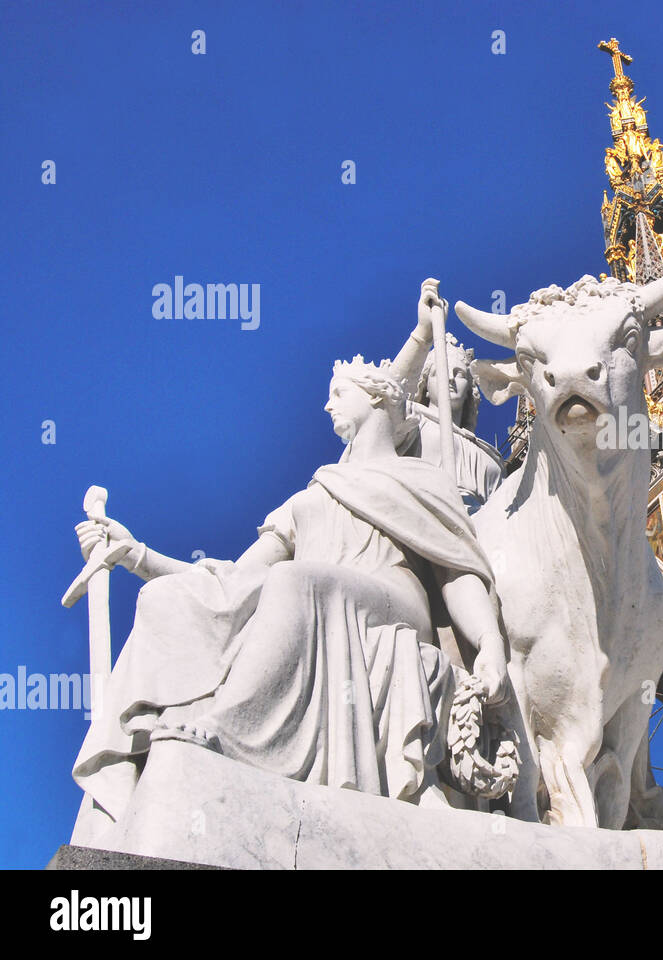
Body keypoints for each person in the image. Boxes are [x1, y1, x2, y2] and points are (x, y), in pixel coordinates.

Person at [70, 354, 509, 844]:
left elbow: (457, 572)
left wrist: (488, 643)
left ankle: (229, 727)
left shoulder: (424, 480)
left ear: (378, 397)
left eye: (338, 393)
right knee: (167, 598)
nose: (326, 405)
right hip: (307, 595)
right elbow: (236, 579)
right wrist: (139, 556)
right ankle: (125, 788)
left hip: (390, 602)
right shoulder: (317, 489)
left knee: (297, 581)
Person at [390, 279, 503, 513]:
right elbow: (386, 396)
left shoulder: (490, 456)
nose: (449, 379)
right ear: (425, 384)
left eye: (460, 374)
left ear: (471, 391)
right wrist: (424, 333)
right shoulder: (412, 423)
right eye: (439, 374)